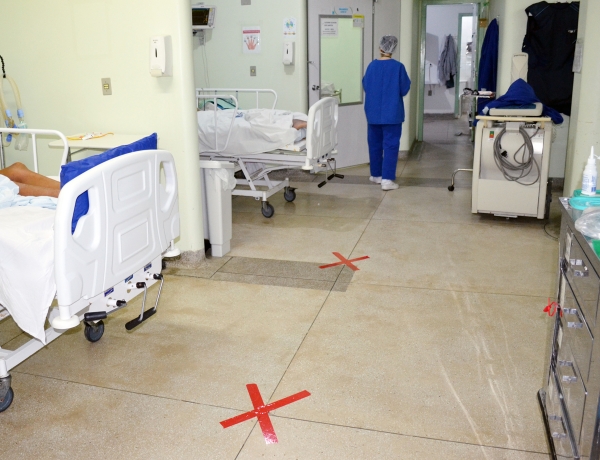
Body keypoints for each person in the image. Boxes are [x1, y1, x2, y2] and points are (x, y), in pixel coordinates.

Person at [362, 35, 411, 190]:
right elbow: (404, 89)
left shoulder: (371, 66)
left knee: (374, 144)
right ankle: (387, 180)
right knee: (390, 146)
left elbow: (366, 86)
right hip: (392, 114)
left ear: (380, 48)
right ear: (393, 49)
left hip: (373, 113)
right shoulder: (398, 67)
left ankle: (376, 175)